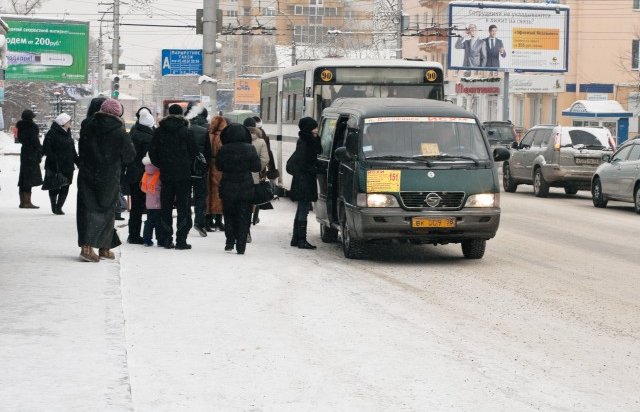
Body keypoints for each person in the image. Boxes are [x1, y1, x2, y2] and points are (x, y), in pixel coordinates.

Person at [77, 98, 135, 262]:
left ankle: (87, 247)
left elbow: (81, 149)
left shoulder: (88, 126)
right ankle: (103, 248)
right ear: (117, 114)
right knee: (107, 211)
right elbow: (130, 156)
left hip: (88, 174)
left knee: (87, 210)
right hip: (108, 176)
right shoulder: (119, 131)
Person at [149, 104, 198, 250]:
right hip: (184, 175)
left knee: (166, 207)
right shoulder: (186, 131)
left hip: (166, 174)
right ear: (181, 114)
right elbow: (194, 152)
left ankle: (166, 239)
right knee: (183, 207)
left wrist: (162, 164)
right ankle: (181, 240)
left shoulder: (159, 131)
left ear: (168, 113)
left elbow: (152, 152)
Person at [215, 123, 261, 255]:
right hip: (246, 187)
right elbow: (256, 167)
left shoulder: (223, 149)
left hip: (228, 186)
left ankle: (230, 241)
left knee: (229, 215)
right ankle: (241, 245)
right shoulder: (250, 148)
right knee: (244, 215)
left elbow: (219, 167)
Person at [288, 117, 322, 250]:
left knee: (301, 208)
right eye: (314, 127)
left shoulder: (306, 141)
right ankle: (301, 240)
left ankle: (296, 238)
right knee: (303, 209)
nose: (317, 129)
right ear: (309, 128)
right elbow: (304, 163)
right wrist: (315, 169)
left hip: (303, 179)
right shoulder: (306, 143)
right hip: (304, 180)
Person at [125, 108, 156, 244]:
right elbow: (151, 157)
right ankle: (137, 235)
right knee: (144, 206)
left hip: (132, 173)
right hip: (144, 175)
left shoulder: (133, 132)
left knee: (135, 207)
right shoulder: (149, 137)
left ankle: (133, 233)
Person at [42, 112, 78, 215]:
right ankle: (54, 206)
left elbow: (72, 150)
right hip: (55, 165)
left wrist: (78, 161)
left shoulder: (68, 133)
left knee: (66, 186)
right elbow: (46, 148)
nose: (70, 123)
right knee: (54, 186)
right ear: (63, 122)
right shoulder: (52, 133)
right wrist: (55, 159)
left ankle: (59, 207)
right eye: (69, 121)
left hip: (68, 165)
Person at [185, 102, 212, 237]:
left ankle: (186, 221)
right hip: (200, 170)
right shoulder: (204, 131)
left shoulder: (183, 130)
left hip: (183, 169)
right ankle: (199, 222)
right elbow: (208, 153)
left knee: (185, 196)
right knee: (201, 196)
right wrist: (205, 167)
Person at [242, 117, 269, 242]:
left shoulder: (238, 139)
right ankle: (246, 231)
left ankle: (236, 231)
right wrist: (256, 169)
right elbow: (265, 159)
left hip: (237, 177)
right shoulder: (260, 141)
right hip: (253, 178)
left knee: (237, 204)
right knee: (248, 206)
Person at [16, 109, 43, 208]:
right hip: (31, 153)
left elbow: (20, 139)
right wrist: (40, 149)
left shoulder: (21, 127)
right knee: (29, 177)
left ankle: (23, 201)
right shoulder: (31, 127)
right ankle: (27, 202)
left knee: (23, 176)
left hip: (25, 152)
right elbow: (35, 141)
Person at [206, 115, 228, 232]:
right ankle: (219, 220)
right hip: (219, 167)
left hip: (208, 166)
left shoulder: (207, 135)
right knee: (219, 193)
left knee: (208, 193)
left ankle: (208, 219)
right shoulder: (223, 137)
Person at [140, 153, 163, 247]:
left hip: (149, 202)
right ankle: (160, 239)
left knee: (149, 221)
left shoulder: (146, 173)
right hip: (157, 202)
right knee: (158, 222)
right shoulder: (158, 173)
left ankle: (146, 239)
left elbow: (142, 187)